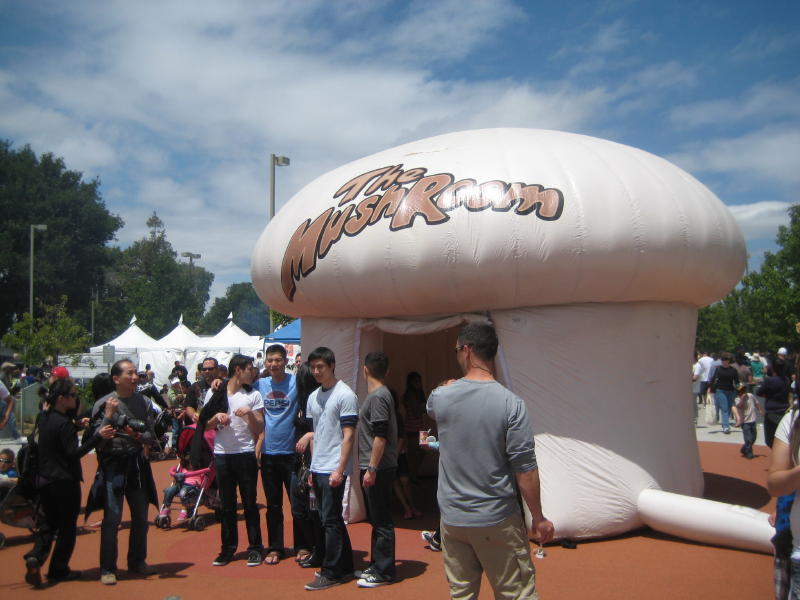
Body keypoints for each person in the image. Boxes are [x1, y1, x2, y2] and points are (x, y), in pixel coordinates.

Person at [427, 322, 554, 599]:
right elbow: (525, 470)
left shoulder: (440, 398)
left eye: (457, 350)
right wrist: (538, 517)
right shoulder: (511, 404)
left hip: (453, 518)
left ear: (467, 350)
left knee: (461, 594)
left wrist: (448, 386)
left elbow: (432, 405)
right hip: (496, 517)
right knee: (516, 593)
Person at [22, 379, 115, 588]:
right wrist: (97, 437)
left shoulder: (44, 417)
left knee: (48, 524)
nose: (76, 399)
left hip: (44, 479)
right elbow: (74, 453)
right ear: (62, 399)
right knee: (66, 528)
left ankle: (36, 556)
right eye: (73, 395)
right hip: (64, 481)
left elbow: (52, 437)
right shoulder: (63, 424)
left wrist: (75, 425)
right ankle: (58, 568)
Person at [85, 359, 159, 586]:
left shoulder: (144, 402)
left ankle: (137, 561)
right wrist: (109, 415)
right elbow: (95, 440)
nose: (135, 377)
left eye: (136, 373)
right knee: (112, 518)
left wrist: (138, 436)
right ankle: (108, 567)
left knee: (141, 516)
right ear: (116, 378)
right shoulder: (103, 404)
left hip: (136, 464)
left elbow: (151, 435)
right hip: (113, 466)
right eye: (130, 373)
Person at [297, 347, 358, 591]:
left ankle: (331, 571)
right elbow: (318, 433)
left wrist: (340, 469)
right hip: (319, 466)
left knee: (330, 520)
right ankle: (345, 566)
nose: (316, 371)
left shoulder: (345, 395)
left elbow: (349, 435)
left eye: (320, 366)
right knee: (329, 519)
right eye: (313, 367)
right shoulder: (313, 397)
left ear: (332, 366)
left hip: (334, 466)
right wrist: (313, 468)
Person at [198, 354, 265, 568]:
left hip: (245, 453)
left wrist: (250, 414)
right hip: (222, 455)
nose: (252, 372)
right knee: (226, 505)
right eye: (249, 369)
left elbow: (259, 427)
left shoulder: (253, 395)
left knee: (250, 503)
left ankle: (255, 548)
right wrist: (216, 418)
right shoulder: (215, 392)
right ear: (238, 370)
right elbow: (205, 424)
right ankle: (227, 549)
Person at [356, 351, 398, 587]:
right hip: (375, 465)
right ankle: (377, 564)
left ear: (365, 370)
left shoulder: (379, 396)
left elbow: (380, 435)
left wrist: (372, 468)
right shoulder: (378, 395)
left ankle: (385, 571)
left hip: (378, 467)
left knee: (382, 520)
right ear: (387, 371)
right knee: (377, 519)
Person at [255, 344, 298, 565]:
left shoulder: (296, 382)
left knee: (297, 504)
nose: (274, 364)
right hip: (268, 454)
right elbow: (237, 387)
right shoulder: (260, 384)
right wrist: (218, 382)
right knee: (273, 505)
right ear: (265, 362)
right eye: (270, 360)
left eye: (278, 360)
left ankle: (303, 545)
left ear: (285, 361)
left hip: (292, 454)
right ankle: (275, 547)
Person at [759, 365, 791, 448]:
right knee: (783, 435)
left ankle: (776, 451)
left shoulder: (769, 380)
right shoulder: (786, 380)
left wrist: (767, 394)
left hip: (772, 410)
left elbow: (759, 392)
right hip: (784, 410)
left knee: (770, 439)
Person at [710, 352, 740, 434]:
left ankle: (724, 424)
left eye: (725, 359)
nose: (723, 361)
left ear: (729, 360)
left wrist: (741, 391)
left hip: (731, 391)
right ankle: (726, 427)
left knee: (729, 408)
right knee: (725, 408)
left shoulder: (733, 370)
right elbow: (713, 379)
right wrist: (710, 389)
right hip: (720, 390)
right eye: (722, 359)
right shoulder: (718, 369)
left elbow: (737, 382)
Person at [733, 384, 764, 459]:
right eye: (741, 391)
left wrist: (760, 410)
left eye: (744, 390)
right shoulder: (737, 399)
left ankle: (744, 449)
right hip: (745, 422)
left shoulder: (750, 395)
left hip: (752, 420)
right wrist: (742, 399)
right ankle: (749, 453)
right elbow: (739, 406)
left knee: (753, 438)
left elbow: (756, 403)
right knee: (748, 439)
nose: (744, 392)